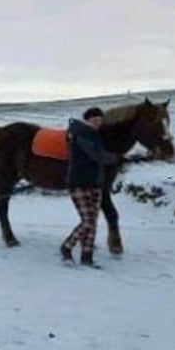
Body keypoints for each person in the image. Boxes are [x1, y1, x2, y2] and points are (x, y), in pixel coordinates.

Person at [61, 107, 120, 267]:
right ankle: (67, 247)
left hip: (95, 183)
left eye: (100, 120)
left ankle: (87, 257)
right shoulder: (81, 133)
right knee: (88, 221)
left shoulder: (95, 135)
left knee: (92, 221)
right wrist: (115, 158)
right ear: (87, 120)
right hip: (79, 183)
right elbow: (95, 155)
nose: (98, 123)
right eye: (94, 120)